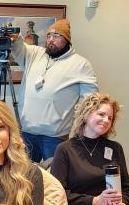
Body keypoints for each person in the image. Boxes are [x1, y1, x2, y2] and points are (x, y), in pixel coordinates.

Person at [50, 93, 129, 205]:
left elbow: (126, 189)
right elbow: (58, 195)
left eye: (110, 118)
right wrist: (94, 201)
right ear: (86, 114)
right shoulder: (65, 149)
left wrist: (122, 202)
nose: (106, 120)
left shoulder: (115, 148)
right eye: (101, 114)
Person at [8, 18, 99, 162]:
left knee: (55, 179)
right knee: (24, 178)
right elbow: (20, 47)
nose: (51, 40)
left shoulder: (81, 64)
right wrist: (15, 37)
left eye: (56, 36)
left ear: (67, 40)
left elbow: (90, 101)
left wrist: (78, 130)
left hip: (55, 138)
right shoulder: (35, 54)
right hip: (27, 134)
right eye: (49, 36)